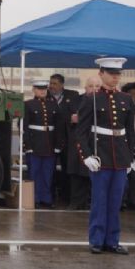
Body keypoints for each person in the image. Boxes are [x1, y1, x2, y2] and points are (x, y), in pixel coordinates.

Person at [76, 58, 135, 255]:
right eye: (111, 73)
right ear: (101, 73)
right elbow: (82, 132)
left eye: (118, 74)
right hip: (100, 156)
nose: (115, 77)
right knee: (100, 201)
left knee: (116, 201)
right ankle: (97, 240)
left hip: (120, 156)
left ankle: (113, 240)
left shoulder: (126, 99)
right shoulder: (91, 99)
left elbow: (129, 132)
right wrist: (86, 156)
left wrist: (130, 157)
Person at [24, 79, 62, 209]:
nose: (42, 91)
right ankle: (34, 198)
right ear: (34, 90)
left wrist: (58, 145)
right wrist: (27, 146)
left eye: (44, 89)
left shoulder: (53, 105)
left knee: (48, 173)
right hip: (34, 144)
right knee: (34, 172)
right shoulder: (28, 104)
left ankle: (46, 198)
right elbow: (24, 127)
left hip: (49, 143)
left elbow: (59, 126)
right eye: (39, 89)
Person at [67, 76, 101, 210]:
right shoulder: (77, 100)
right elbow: (65, 117)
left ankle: (91, 202)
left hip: (96, 141)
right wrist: (71, 119)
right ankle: (76, 202)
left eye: (98, 86)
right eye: (92, 86)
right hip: (79, 140)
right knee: (77, 174)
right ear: (86, 88)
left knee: (93, 173)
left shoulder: (104, 101)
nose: (95, 89)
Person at [48, 73, 81, 206]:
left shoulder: (73, 95)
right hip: (51, 139)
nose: (51, 86)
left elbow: (76, 114)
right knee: (50, 168)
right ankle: (49, 197)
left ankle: (67, 196)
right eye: (50, 83)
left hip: (68, 139)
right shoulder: (45, 96)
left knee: (68, 168)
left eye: (55, 83)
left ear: (62, 84)